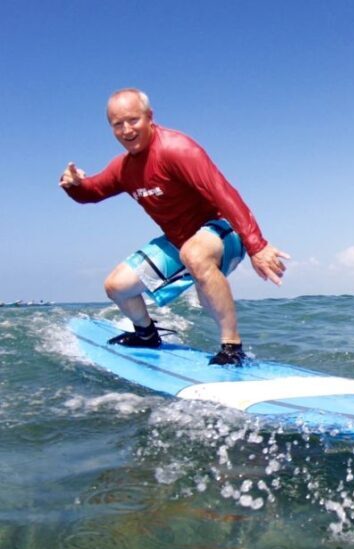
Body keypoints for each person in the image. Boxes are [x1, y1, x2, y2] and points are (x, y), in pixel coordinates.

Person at [59, 88, 289, 366]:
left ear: (149, 117)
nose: (126, 130)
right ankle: (146, 335)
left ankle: (232, 346)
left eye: (133, 120)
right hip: (179, 241)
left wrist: (256, 245)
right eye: (118, 124)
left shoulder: (177, 149)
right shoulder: (123, 168)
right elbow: (92, 192)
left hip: (223, 230)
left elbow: (223, 192)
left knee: (194, 254)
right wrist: (74, 185)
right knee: (116, 286)